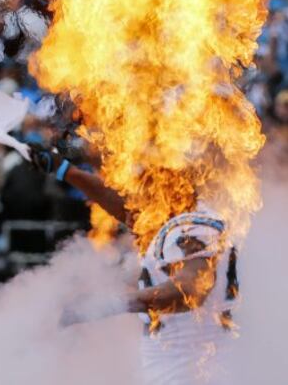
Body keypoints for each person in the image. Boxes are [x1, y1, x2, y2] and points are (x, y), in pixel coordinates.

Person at [30, 145, 239, 385]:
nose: (137, 196)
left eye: (147, 184)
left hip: (188, 372)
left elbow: (191, 289)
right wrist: (66, 171)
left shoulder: (191, 228)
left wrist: (110, 303)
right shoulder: (176, 217)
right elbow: (121, 206)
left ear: (173, 185)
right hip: (177, 368)